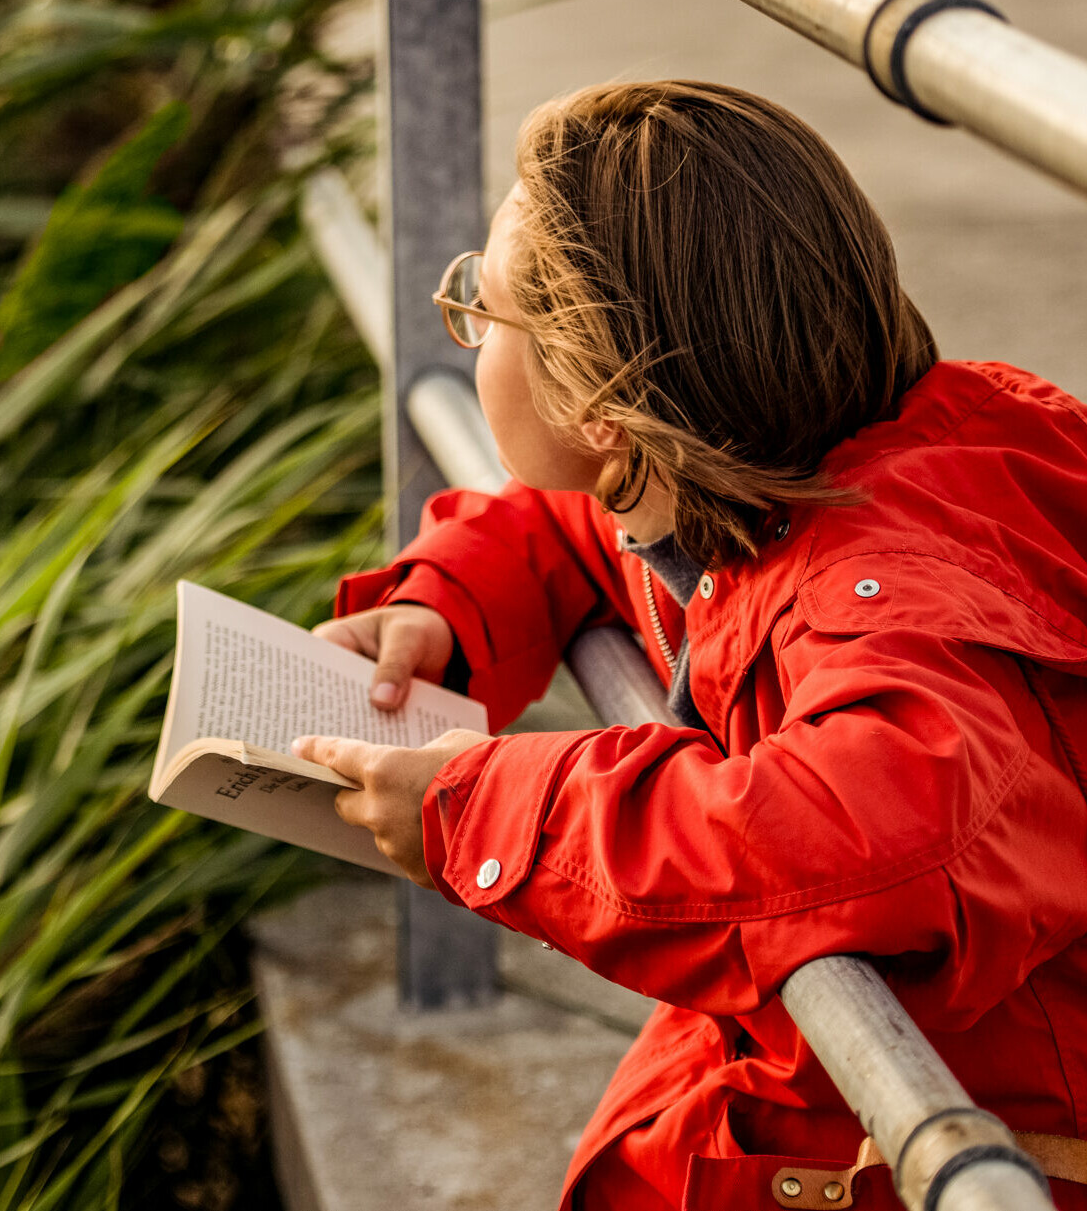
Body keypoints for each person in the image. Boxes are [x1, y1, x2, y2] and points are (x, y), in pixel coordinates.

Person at [291, 81, 1087, 1211]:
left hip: (969, 1140)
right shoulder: (757, 459)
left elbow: (871, 825)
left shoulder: (894, 599)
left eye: (481, 304)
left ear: (603, 404)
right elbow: (579, 519)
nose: (461, 321)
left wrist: (490, 809)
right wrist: (449, 605)